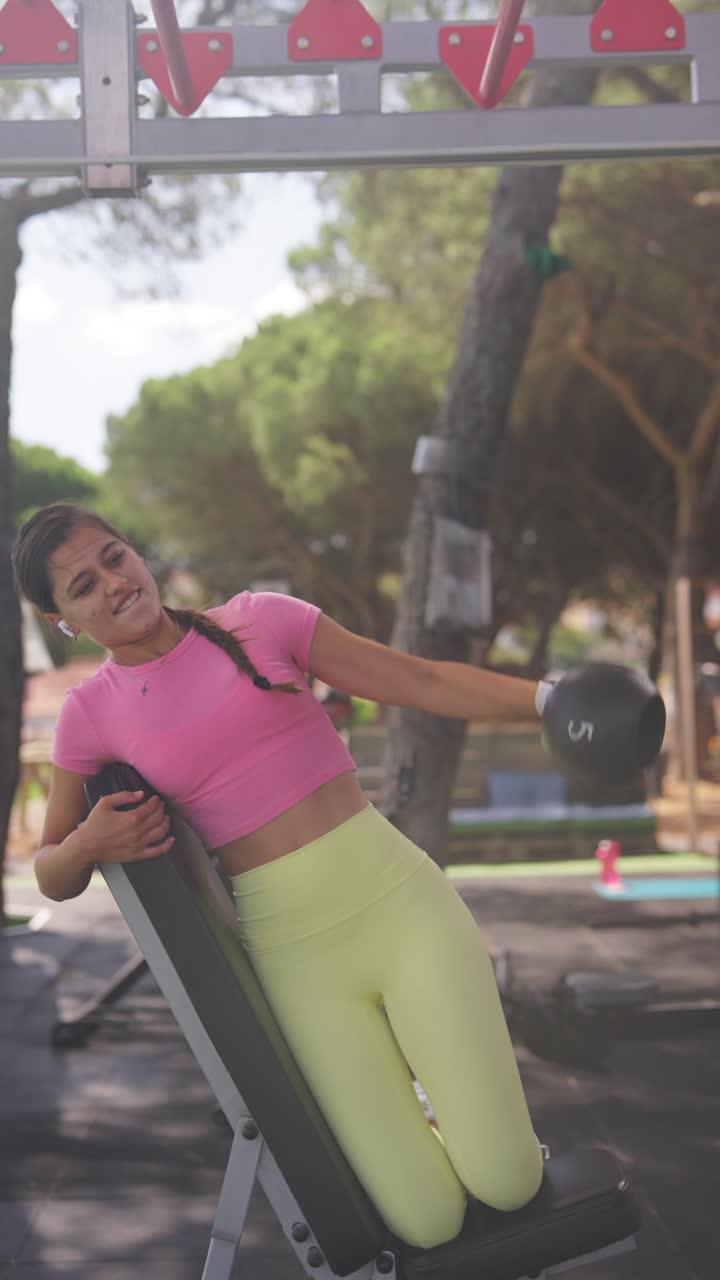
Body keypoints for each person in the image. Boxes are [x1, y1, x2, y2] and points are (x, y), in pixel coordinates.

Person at [13, 501, 549, 1251]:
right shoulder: (88, 715)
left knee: (507, 1180)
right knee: (425, 1220)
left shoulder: (261, 620)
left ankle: (472, 1117)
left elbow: (423, 680)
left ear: (135, 552)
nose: (113, 583)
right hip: (296, 957)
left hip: (401, 908)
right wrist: (88, 842)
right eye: (81, 585)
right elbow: (50, 873)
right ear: (62, 619)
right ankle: (433, 1112)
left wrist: (549, 702)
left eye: (113, 557)